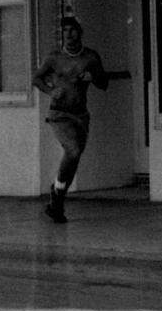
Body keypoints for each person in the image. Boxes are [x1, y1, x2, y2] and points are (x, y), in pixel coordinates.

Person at [32, 15, 108, 222]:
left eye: (72, 30)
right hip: (59, 114)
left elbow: (104, 83)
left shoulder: (91, 57)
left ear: (80, 32)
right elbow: (36, 78)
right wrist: (50, 91)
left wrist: (93, 78)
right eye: (65, 31)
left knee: (74, 158)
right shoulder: (54, 58)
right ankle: (56, 196)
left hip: (80, 114)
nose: (69, 35)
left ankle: (56, 201)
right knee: (72, 150)